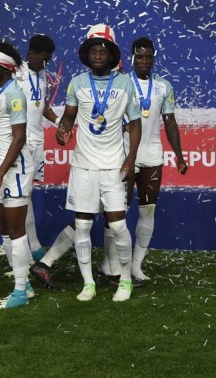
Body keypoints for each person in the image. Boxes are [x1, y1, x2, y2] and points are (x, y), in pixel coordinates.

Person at [56, 24, 142, 302]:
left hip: (114, 166)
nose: (97, 54)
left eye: (102, 50)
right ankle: (88, 283)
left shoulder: (125, 83)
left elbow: (136, 124)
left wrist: (130, 160)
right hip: (83, 166)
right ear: (87, 54)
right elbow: (68, 116)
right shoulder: (77, 82)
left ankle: (125, 281)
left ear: (112, 54)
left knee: (117, 226)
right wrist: (63, 129)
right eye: (93, 50)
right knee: (82, 226)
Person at [118, 36, 188, 281]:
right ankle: (112, 262)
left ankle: (136, 265)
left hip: (152, 156)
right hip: (124, 156)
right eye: (140, 57)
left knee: (148, 211)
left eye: (149, 57)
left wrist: (179, 155)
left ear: (154, 58)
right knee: (118, 211)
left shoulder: (164, 87)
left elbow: (170, 123)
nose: (145, 61)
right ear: (132, 58)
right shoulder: (122, 83)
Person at [0, 39, 34, 309]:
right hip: (0, 170)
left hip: (13, 172)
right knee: (4, 227)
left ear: (4, 68)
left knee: (15, 229)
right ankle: (25, 281)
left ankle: (22, 291)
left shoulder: (14, 94)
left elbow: (19, 138)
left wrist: (0, 174)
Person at [16, 34, 60, 261]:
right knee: (21, 196)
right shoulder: (14, 73)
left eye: (48, 60)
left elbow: (42, 105)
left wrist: (61, 123)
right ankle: (29, 246)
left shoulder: (41, 73)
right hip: (19, 142)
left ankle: (31, 245)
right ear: (31, 54)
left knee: (28, 194)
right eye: (43, 59)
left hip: (37, 140)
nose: (46, 64)